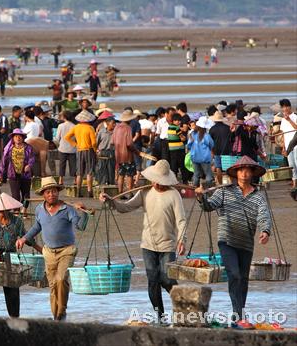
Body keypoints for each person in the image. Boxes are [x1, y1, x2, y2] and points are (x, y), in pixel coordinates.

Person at [99, 160, 186, 322]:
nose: (157, 184)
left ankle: (183, 303)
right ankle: (160, 315)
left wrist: (182, 240)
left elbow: (181, 220)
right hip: (148, 244)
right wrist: (111, 201)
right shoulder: (145, 192)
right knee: (153, 279)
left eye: (161, 181)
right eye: (155, 180)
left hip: (168, 244)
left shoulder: (174, 194)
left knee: (166, 278)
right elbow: (126, 207)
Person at [195, 156, 271, 321]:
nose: (244, 173)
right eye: (241, 170)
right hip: (227, 240)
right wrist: (201, 197)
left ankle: (240, 314)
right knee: (234, 275)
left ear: (252, 173)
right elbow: (209, 206)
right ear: (236, 173)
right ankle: (238, 315)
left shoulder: (258, 196)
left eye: (247, 170)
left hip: (246, 243)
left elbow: (264, 215)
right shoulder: (224, 191)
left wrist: (265, 231)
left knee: (243, 279)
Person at [16, 177, 90, 321]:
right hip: (49, 252)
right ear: (43, 194)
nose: (51, 195)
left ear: (58, 192)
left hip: (66, 251)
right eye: (48, 192)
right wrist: (24, 238)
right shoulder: (39, 209)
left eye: (54, 191)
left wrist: (84, 212)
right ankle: (56, 315)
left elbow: (80, 226)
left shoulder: (67, 209)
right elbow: (37, 227)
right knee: (52, 285)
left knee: (61, 279)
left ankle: (61, 311)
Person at [0, 193, 41, 317]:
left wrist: (40, 249)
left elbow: (27, 238)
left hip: (10, 256)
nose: (1, 213)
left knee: (12, 290)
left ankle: (14, 318)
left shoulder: (17, 221)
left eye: (3, 211)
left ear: (9, 209)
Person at [0, 128, 35, 206]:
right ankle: (17, 212)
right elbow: (3, 162)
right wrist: (0, 174)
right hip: (12, 175)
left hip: (25, 175)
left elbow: (32, 158)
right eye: (15, 136)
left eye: (20, 136)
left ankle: (24, 211)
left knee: (26, 195)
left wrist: (29, 165)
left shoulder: (28, 148)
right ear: (13, 138)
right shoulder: (9, 148)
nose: (18, 138)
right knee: (15, 196)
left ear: (23, 138)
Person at [65, 110, 97, 197]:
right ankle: (90, 191)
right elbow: (94, 143)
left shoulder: (76, 127)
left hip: (79, 150)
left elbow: (67, 137)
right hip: (89, 150)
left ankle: (79, 191)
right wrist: (95, 150)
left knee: (79, 172)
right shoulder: (90, 128)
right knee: (89, 172)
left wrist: (75, 144)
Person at [112, 110, 140, 195]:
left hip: (118, 156)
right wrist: (136, 151)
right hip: (127, 156)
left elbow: (112, 141)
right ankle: (130, 193)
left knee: (121, 174)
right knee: (130, 175)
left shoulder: (116, 127)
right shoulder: (128, 128)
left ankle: (120, 193)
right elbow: (129, 144)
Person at [188, 117, 215, 187]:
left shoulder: (193, 134)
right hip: (205, 158)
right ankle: (209, 189)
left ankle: (194, 190)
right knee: (208, 174)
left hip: (194, 157)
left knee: (196, 174)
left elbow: (188, 145)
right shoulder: (206, 136)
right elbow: (212, 145)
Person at [54, 111, 77, 185]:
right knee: (73, 165)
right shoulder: (74, 126)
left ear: (64, 117)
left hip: (62, 148)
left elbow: (57, 138)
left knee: (62, 164)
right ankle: (76, 179)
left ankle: (61, 180)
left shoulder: (61, 126)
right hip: (73, 149)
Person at [279, 99, 297, 188]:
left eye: (286, 106)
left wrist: (289, 120)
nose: (285, 109)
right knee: (291, 165)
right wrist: (283, 147)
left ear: (290, 107)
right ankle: (294, 185)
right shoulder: (283, 120)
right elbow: (283, 134)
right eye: (283, 107)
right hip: (287, 146)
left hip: (296, 145)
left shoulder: (295, 116)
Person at [95, 112, 116, 185]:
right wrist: (96, 151)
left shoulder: (116, 132)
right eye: (113, 123)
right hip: (102, 152)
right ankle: (102, 184)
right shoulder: (101, 131)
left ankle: (111, 184)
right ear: (107, 123)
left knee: (111, 170)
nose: (114, 125)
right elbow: (96, 143)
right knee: (102, 169)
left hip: (112, 152)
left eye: (115, 123)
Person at [167, 113, 189, 184]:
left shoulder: (169, 127)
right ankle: (185, 181)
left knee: (174, 165)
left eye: (179, 120)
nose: (179, 122)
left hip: (172, 149)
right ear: (173, 121)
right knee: (182, 165)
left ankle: (173, 180)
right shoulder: (177, 128)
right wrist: (185, 138)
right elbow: (182, 138)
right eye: (177, 120)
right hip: (179, 148)